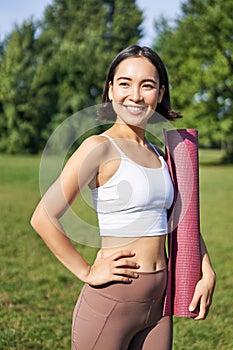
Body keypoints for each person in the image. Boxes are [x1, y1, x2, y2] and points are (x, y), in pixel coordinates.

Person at [31, 45, 216, 350]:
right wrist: (86, 271)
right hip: (112, 300)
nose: (135, 95)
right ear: (111, 90)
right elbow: (43, 217)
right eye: (125, 83)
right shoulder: (99, 147)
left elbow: (182, 222)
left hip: (159, 305)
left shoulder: (161, 154)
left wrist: (206, 269)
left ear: (160, 92)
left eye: (147, 85)